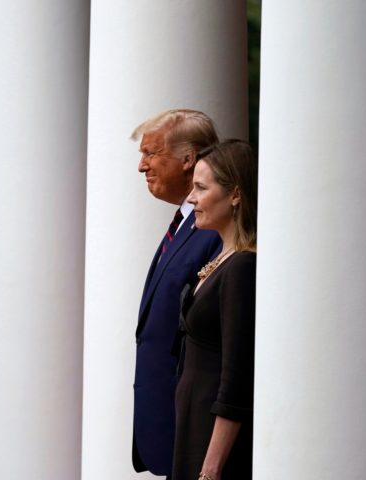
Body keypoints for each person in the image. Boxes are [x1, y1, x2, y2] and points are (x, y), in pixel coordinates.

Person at [131, 109, 222, 478]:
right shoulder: (186, 223)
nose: (142, 166)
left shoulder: (214, 228)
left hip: (191, 425)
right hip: (167, 421)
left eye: (151, 154)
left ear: (188, 160)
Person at [172, 139, 257, 480]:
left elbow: (236, 375)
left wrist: (212, 466)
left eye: (201, 188)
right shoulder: (219, 260)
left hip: (212, 442)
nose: (190, 199)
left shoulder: (241, 268)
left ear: (235, 194)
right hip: (194, 425)